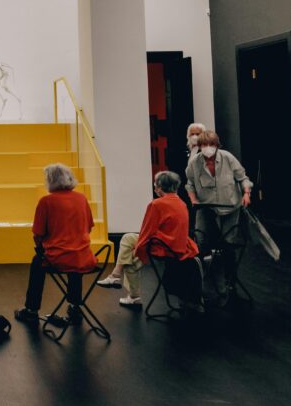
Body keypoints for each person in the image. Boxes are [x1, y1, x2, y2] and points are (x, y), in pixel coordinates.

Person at [97, 170, 201, 308]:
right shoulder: (181, 203)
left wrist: (138, 251)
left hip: (163, 247)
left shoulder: (157, 204)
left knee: (128, 246)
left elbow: (147, 231)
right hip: (179, 246)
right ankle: (119, 279)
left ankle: (121, 281)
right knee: (129, 249)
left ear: (159, 186)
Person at [14, 163, 95, 327]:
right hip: (85, 257)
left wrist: (44, 247)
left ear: (50, 180)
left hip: (59, 257)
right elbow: (89, 226)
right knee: (75, 260)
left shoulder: (46, 201)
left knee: (37, 262)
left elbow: (37, 234)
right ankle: (75, 307)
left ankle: (31, 310)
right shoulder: (81, 198)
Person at [185, 130, 251, 291]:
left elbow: (243, 178)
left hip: (229, 206)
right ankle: (198, 279)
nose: (208, 148)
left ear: (217, 145)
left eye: (211, 144)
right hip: (205, 207)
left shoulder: (227, 158)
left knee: (228, 243)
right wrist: (193, 200)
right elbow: (190, 184)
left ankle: (230, 281)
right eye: (205, 145)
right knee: (200, 241)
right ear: (200, 146)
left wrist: (246, 194)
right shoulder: (195, 162)